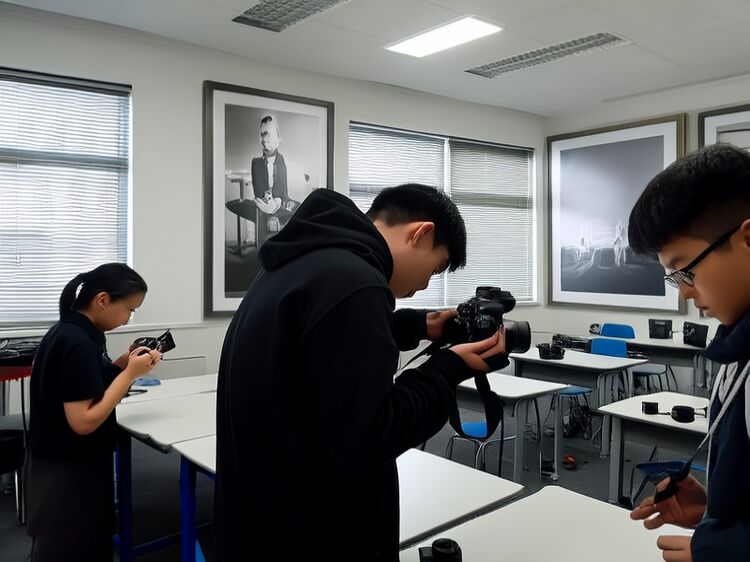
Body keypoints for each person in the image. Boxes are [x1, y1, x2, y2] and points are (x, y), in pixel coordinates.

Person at [213, 184, 506, 562]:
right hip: (313, 536)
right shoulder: (358, 284)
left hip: (259, 520)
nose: (424, 285)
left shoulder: (302, 260)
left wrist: (417, 325)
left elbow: (320, 348)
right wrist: (448, 368)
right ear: (421, 233)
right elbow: (372, 433)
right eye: (434, 269)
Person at [627, 143, 750, 562]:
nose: (683, 291)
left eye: (687, 269)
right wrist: (715, 511)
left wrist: (723, 548)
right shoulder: (736, 344)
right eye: (673, 276)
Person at [26, 263, 162, 562]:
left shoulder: (75, 332)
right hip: (68, 472)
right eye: (129, 310)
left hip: (61, 462)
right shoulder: (78, 343)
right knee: (72, 545)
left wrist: (124, 362)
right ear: (103, 300)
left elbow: (90, 383)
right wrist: (130, 375)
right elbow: (84, 421)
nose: (127, 319)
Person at [250, 114, 309, 239]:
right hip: (263, 205)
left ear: (278, 139)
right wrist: (267, 201)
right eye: (262, 135)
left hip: (281, 203)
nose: (264, 140)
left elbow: (284, 192)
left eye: (268, 134)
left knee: (303, 210)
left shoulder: (283, 161)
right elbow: (258, 192)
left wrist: (278, 202)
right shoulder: (256, 163)